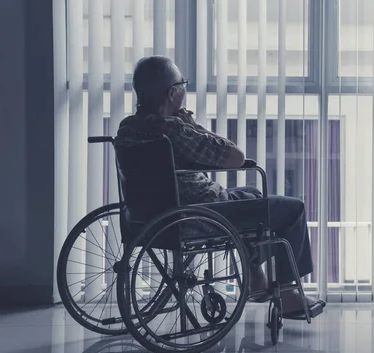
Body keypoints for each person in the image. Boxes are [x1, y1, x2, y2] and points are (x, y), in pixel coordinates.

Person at [115, 55, 323, 316]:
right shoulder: (174, 130)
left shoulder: (127, 129)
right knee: (293, 209)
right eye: (183, 84)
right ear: (171, 94)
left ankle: (254, 279)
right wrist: (195, 126)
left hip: (152, 214)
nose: (185, 89)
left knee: (253, 194)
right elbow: (235, 157)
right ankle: (289, 292)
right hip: (201, 214)